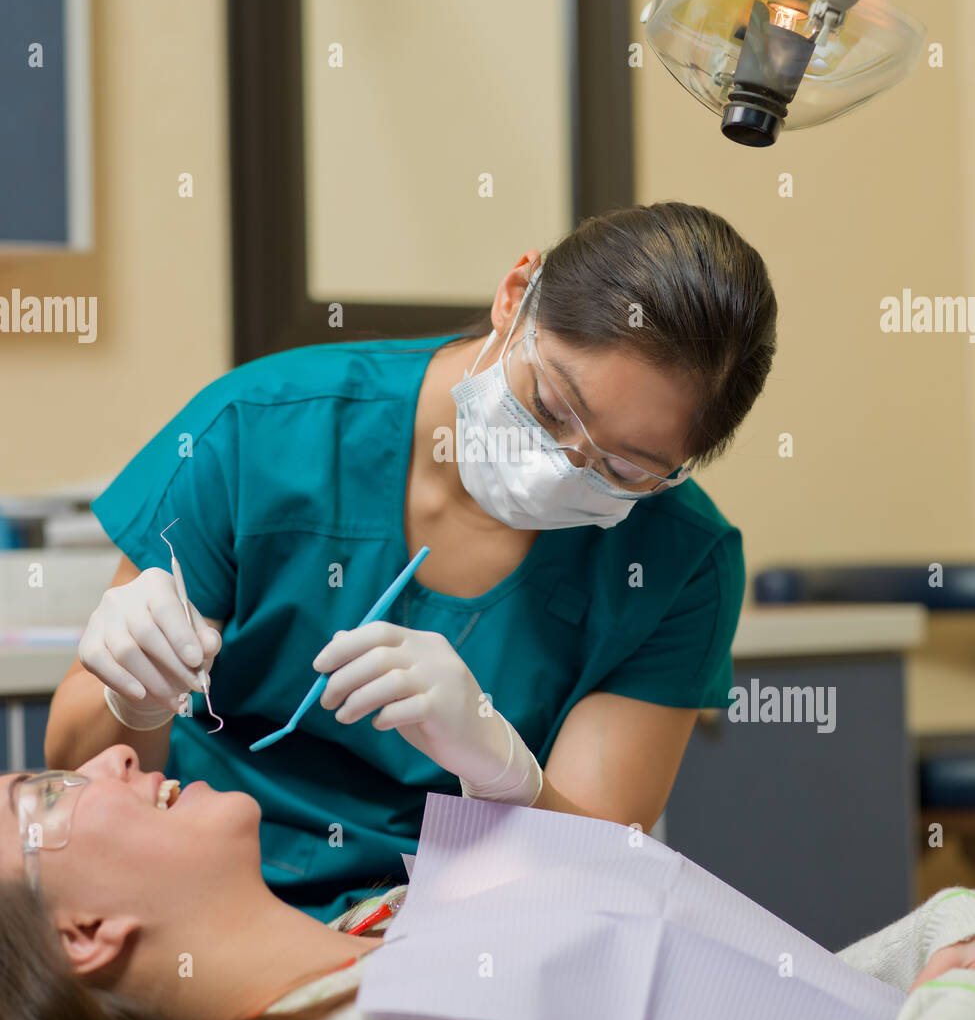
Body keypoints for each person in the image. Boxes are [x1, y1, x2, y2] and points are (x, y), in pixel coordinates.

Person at [47, 202, 775, 924]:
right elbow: (78, 775)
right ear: (515, 297)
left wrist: (504, 772)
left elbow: (593, 875)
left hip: (450, 937)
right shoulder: (261, 431)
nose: (559, 467)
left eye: (623, 467)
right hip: (196, 907)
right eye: (551, 407)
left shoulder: (681, 560)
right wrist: (132, 700)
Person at [2, 748, 975, 1020]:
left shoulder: (380, 926)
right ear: (84, 931)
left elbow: (762, 1010)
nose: (110, 761)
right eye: (45, 796)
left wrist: (940, 943)